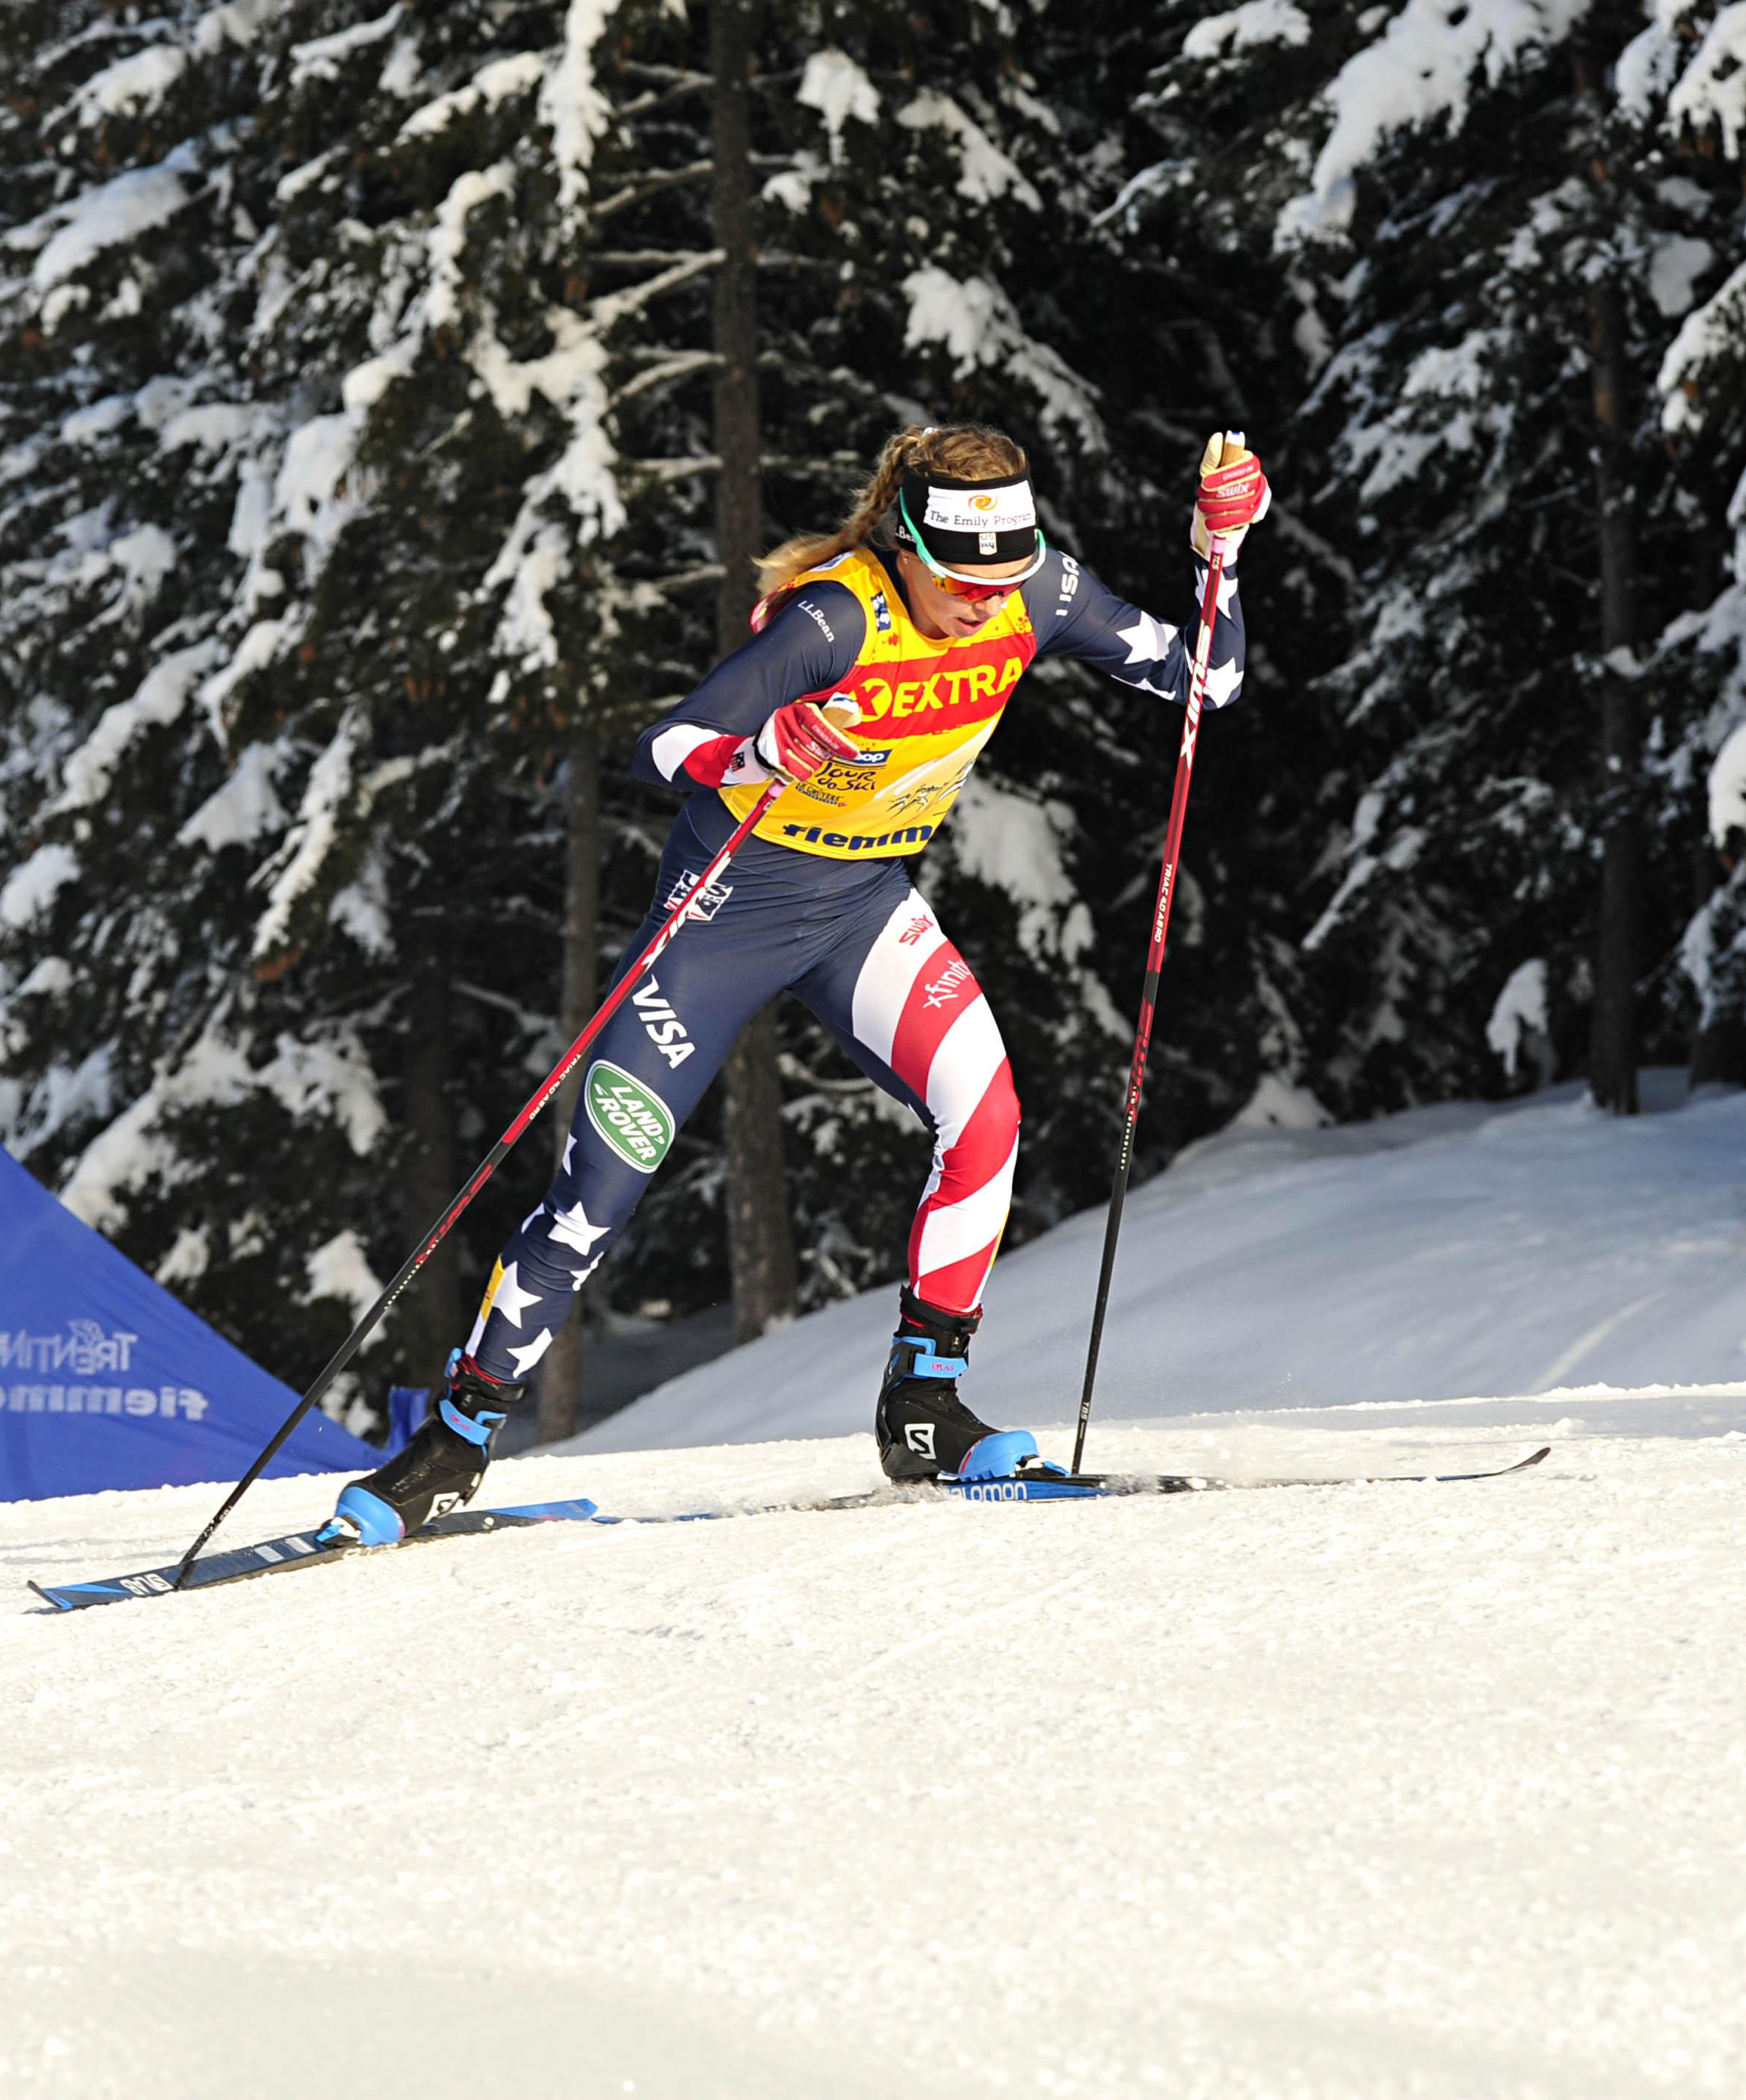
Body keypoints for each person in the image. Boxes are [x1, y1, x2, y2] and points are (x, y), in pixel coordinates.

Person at [327, 423, 1264, 1540]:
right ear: (907, 545)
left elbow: (1206, 679)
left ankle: (923, 1405)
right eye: (965, 580)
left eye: (1007, 575)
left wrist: (1223, 555)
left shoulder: (1040, 590)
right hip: (723, 919)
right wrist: (760, 751)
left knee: (988, 1118)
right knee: (603, 1188)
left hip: (860, 909)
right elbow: (665, 746)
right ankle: (454, 1440)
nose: (987, 604)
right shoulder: (834, 617)